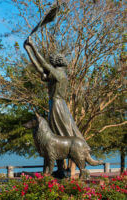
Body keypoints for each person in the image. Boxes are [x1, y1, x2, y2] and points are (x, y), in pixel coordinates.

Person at [24, 36, 88, 175]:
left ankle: (64, 168)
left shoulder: (59, 74)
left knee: (60, 133)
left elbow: (42, 64)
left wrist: (33, 46)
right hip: (56, 105)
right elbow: (40, 68)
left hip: (58, 106)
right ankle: (59, 169)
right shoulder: (57, 74)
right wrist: (28, 50)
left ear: (54, 63)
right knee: (56, 135)